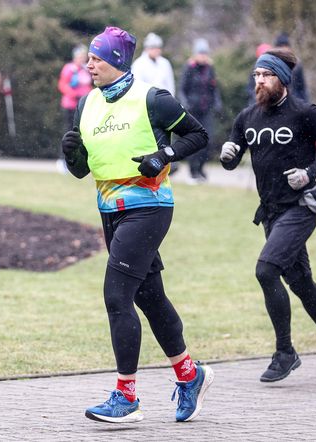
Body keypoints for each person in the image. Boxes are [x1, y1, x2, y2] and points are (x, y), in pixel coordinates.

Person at [61, 26, 213, 424]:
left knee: (116, 295)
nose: (88, 64)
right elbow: (81, 171)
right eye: (89, 57)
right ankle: (190, 375)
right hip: (109, 208)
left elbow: (198, 135)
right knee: (149, 297)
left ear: (116, 61)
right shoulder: (87, 103)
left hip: (149, 207)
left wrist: (163, 154)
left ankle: (126, 397)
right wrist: (71, 155)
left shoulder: (152, 99)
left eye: (96, 58)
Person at [220, 47, 316, 383]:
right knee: (300, 282)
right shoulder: (248, 117)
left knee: (266, 270)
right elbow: (233, 157)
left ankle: (285, 352)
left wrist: (310, 172)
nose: (259, 81)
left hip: (301, 207)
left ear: (282, 78)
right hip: (270, 212)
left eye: (266, 75)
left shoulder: (303, 112)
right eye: (256, 76)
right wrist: (227, 154)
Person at [179, 38, 221, 182]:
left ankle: (201, 169)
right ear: (195, 54)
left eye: (205, 53)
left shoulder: (210, 68)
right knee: (194, 140)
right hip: (193, 110)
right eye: (200, 53)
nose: (203, 56)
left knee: (208, 141)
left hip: (206, 109)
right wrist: (185, 104)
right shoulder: (189, 68)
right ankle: (193, 171)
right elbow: (182, 89)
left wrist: (217, 102)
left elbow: (214, 88)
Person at [57, 44, 92, 172]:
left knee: (83, 135)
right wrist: (74, 95)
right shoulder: (69, 69)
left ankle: (81, 162)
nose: (82, 59)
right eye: (80, 56)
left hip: (83, 107)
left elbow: (89, 86)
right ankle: (63, 160)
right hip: (70, 105)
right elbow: (62, 85)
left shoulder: (86, 69)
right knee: (68, 134)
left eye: (84, 56)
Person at [273, 32, 309, 101]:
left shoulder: (297, 64)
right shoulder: (271, 64)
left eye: (285, 47)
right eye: (281, 47)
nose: (283, 50)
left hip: (294, 101)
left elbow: (302, 88)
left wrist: (304, 104)